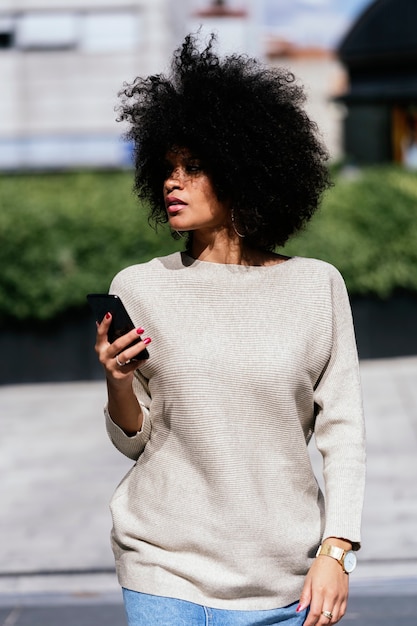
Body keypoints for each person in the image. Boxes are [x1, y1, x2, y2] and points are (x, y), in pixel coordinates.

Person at [94, 34, 366, 626]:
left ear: (244, 170)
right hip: (162, 567)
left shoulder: (316, 286)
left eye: (194, 167)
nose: (173, 182)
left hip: (287, 580)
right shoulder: (141, 286)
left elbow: (342, 431)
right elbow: (134, 439)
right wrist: (118, 381)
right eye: (167, 169)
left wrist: (337, 551)